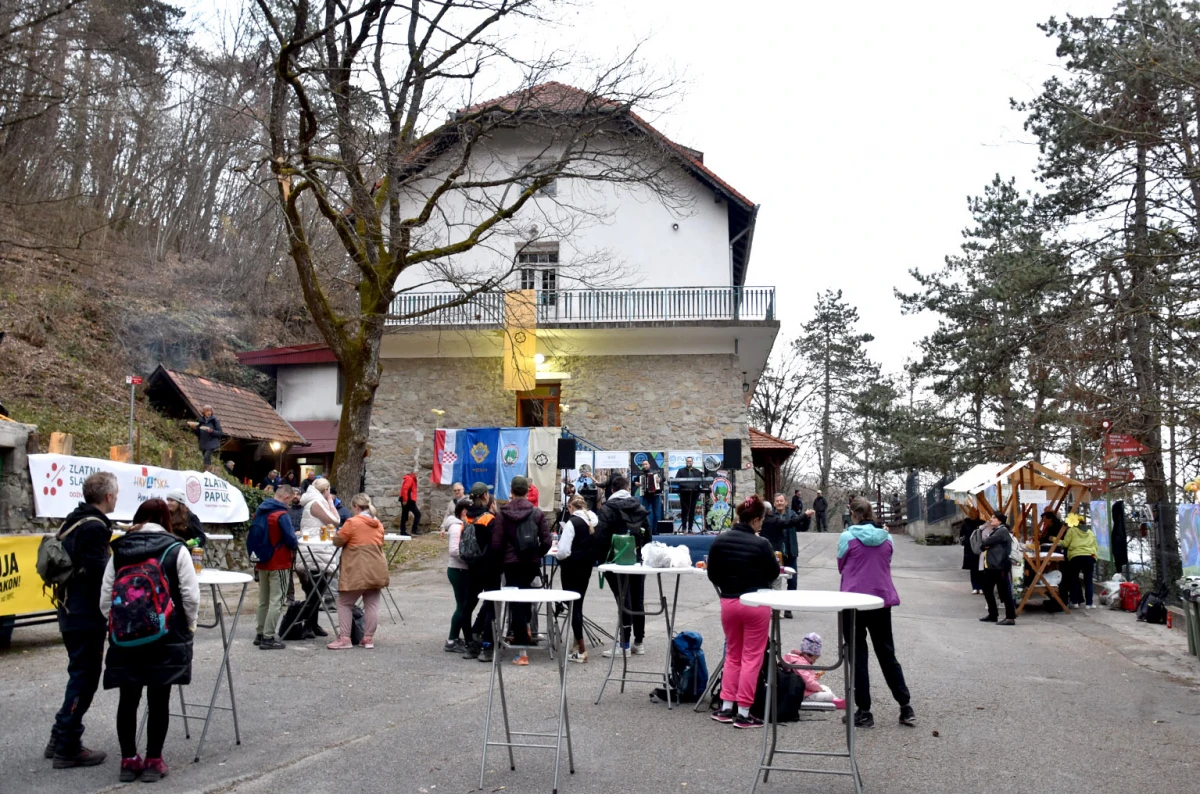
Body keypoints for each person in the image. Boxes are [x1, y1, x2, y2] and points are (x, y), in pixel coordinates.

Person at [99, 499, 200, 783]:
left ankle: (129, 760)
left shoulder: (119, 549)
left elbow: (106, 596)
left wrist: (118, 624)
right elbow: (191, 596)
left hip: (126, 635)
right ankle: (154, 760)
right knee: (159, 698)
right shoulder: (175, 548)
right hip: (164, 633)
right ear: (166, 519)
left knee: (128, 698)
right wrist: (187, 625)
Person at [46, 471, 118, 769]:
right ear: (108, 496)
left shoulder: (75, 518)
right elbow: (100, 574)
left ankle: (59, 737)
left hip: (69, 608)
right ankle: (67, 745)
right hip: (85, 613)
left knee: (80, 673)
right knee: (85, 678)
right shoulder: (94, 528)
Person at [838, 496, 915, 728]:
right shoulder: (887, 537)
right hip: (881, 600)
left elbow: (841, 565)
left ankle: (864, 710)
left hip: (853, 600)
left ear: (852, 514)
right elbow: (887, 560)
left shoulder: (847, 537)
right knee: (887, 653)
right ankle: (905, 706)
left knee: (858, 655)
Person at [706, 494, 779, 729]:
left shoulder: (720, 540)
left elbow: (712, 574)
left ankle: (726, 707)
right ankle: (744, 711)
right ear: (756, 520)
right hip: (755, 603)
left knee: (733, 655)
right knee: (751, 658)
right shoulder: (762, 544)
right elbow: (774, 573)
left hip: (728, 602)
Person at [492, 476, 552, 665]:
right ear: (527, 490)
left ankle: (522, 651)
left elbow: (496, 544)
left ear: (511, 490)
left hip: (511, 564)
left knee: (515, 603)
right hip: (530, 563)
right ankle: (526, 631)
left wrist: (502, 560)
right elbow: (547, 541)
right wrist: (537, 554)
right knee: (526, 600)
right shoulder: (536, 513)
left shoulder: (502, 514)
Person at [595, 474, 652, 657]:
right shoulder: (639, 506)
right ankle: (639, 641)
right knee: (638, 600)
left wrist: (602, 560)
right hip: (637, 559)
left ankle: (624, 644)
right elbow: (648, 536)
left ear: (611, 490)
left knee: (623, 600)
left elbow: (601, 537)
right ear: (627, 489)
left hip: (615, 560)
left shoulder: (607, 508)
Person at [328, 494, 389, 649]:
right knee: (372, 604)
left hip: (357, 568)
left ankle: (344, 638)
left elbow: (338, 540)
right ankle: (368, 638)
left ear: (355, 507)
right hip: (377, 568)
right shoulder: (378, 523)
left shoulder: (353, 522)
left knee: (344, 602)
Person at [251, 484, 298, 650]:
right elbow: (291, 541)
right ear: (286, 497)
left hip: (262, 560)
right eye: (291, 500)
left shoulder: (260, 511)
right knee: (276, 600)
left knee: (263, 600)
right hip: (279, 561)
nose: (290, 504)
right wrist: (296, 536)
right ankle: (269, 637)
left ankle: (260, 633)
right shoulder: (281, 515)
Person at [294, 479, 341, 633]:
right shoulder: (316, 502)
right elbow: (335, 521)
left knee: (315, 589)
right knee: (316, 588)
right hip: (315, 550)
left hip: (315, 548)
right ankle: (307, 624)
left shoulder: (313, 501)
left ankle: (312, 624)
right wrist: (330, 502)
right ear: (326, 490)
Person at [462, 483, 502, 662]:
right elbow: (495, 546)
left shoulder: (466, 517)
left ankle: (470, 645)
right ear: (485, 496)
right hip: (489, 568)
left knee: (468, 606)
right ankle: (487, 646)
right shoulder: (488, 518)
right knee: (491, 606)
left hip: (471, 567)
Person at [556, 495, 598, 663]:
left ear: (571, 507)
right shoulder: (594, 520)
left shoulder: (572, 523)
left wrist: (560, 556)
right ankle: (577, 644)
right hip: (586, 566)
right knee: (578, 604)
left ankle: (581, 649)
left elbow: (563, 551)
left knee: (573, 607)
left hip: (571, 567)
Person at [761, 493, 814, 610]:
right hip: (776, 553)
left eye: (781, 501)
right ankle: (773, 606)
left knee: (792, 580)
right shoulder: (770, 516)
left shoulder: (792, 514)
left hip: (790, 550)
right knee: (775, 580)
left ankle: (789, 608)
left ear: (786, 502)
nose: (779, 503)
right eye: (777, 501)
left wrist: (807, 518)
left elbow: (802, 527)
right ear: (774, 504)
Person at [443, 498, 475, 653]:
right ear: (463, 511)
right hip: (458, 570)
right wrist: (471, 557)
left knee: (463, 605)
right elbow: (454, 551)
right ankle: (451, 640)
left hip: (462, 569)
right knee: (462, 606)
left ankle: (455, 636)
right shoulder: (457, 527)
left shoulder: (463, 524)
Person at [783, 633, 845, 707]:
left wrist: (814, 676)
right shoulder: (799, 663)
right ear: (811, 655)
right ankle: (833, 700)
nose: (814, 661)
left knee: (825, 687)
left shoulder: (799, 659)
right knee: (827, 694)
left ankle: (835, 699)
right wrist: (818, 688)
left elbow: (803, 677)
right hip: (802, 693)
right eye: (814, 659)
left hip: (801, 689)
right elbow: (808, 682)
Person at [979, 511, 1018, 625]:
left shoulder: (1002, 531)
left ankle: (1010, 617)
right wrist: (986, 545)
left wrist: (986, 544)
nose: (991, 519)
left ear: (1000, 520)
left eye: (994, 518)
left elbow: (987, 541)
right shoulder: (996, 531)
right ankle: (993, 614)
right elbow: (987, 543)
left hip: (999, 566)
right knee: (987, 589)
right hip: (993, 565)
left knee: (1004, 592)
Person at [1060, 513, 1099, 609]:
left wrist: (1054, 539)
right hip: (1089, 557)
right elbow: (1095, 546)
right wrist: (1095, 557)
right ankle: (1089, 603)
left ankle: (1075, 602)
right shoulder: (1090, 532)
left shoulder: (1071, 530)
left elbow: (1065, 544)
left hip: (1076, 556)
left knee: (1074, 579)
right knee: (1088, 580)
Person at [673, 456, 704, 534]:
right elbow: (677, 480)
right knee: (684, 511)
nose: (689, 462)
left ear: (692, 462)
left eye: (690, 461)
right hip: (684, 493)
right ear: (686, 462)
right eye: (687, 461)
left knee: (692, 511)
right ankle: (684, 528)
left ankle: (690, 528)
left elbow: (701, 482)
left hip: (694, 493)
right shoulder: (681, 471)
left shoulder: (697, 471)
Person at [960, 510, 984, 594]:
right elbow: (962, 536)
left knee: (976, 568)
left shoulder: (967, 524)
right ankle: (978, 587)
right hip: (974, 548)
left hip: (972, 548)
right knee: (977, 568)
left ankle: (977, 587)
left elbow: (961, 536)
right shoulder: (980, 523)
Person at [636, 459, 663, 532]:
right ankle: (646, 530)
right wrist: (636, 483)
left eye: (646, 464)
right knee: (644, 513)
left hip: (655, 495)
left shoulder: (655, 472)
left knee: (657, 514)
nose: (645, 466)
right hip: (645, 496)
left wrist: (659, 480)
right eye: (643, 465)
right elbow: (634, 481)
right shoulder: (641, 474)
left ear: (649, 465)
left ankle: (656, 531)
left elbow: (663, 479)